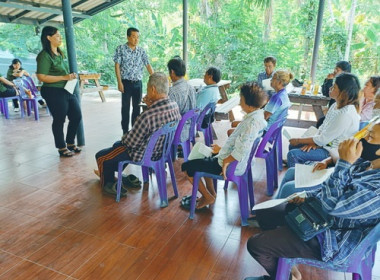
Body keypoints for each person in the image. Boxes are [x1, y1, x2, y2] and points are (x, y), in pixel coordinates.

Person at [245, 121, 380, 280]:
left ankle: (284, 277)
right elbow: (335, 188)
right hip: (325, 218)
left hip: (334, 239)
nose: (362, 139)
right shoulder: (366, 165)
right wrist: (307, 196)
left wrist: (344, 163)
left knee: (256, 245)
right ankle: (288, 272)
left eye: (370, 136)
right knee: (267, 214)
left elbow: (333, 205)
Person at [181, 82, 267, 209]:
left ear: (249, 105)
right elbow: (241, 144)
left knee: (187, 167)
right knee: (202, 156)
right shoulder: (257, 117)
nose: (239, 102)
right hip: (233, 160)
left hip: (230, 165)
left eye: (241, 99)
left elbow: (242, 149)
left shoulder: (251, 123)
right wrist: (221, 150)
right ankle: (211, 194)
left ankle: (208, 196)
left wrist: (226, 159)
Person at [95, 72, 181, 196]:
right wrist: (150, 106)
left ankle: (108, 184)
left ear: (153, 89)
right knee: (115, 147)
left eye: (147, 89)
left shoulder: (147, 116)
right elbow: (158, 117)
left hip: (142, 154)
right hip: (161, 152)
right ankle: (119, 176)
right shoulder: (174, 106)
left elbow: (130, 143)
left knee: (101, 156)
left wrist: (123, 137)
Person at [287, 73, 361, 168]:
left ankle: (298, 179)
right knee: (292, 146)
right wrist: (314, 143)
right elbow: (323, 128)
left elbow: (324, 139)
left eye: (334, 87)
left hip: (332, 152)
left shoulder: (346, 114)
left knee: (293, 154)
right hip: (326, 145)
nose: (330, 88)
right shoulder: (335, 105)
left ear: (343, 93)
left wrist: (299, 140)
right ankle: (301, 171)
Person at [36, 26, 82, 157]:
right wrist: (63, 77)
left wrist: (70, 76)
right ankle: (61, 147)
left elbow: (63, 72)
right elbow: (42, 77)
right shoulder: (44, 56)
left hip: (66, 89)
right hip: (52, 90)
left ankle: (70, 142)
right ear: (49, 38)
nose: (59, 37)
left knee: (76, 115)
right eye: (56, 35)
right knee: (59, 119)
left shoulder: (60, 53)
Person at [113, 27, 154, 134]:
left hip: (138, 84)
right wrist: (119, 82)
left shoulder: (141, 51)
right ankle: (125, 132)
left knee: (137, 108)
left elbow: (148, 65)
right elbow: (117, 66)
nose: (136, 39)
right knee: (125, 108)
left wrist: (155, 77)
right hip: (125, 83)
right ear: (128, 37)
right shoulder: (121, 49)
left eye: (138, 37)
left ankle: (134, 131)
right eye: (134, 37)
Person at [227, 70, 291, 137]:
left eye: (273, 78)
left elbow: (265, 117)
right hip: (272, 128)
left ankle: (243, 146)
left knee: (230, 131)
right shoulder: (283, 94)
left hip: (266, 129)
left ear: (279, 82)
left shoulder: (277, 98)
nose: (270, 80)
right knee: (236, 123)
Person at [167, 56, 196, 142]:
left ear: (172, 72)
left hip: (178, 133)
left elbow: (168, 118)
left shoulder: (172, 92)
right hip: (190, 129)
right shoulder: (191, 87)